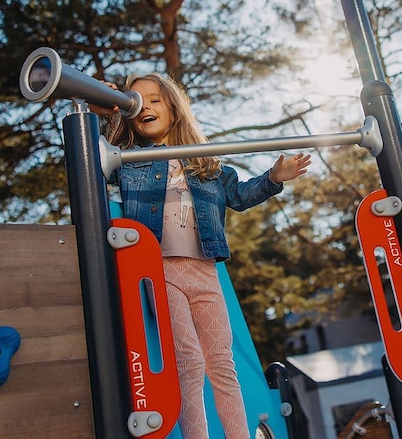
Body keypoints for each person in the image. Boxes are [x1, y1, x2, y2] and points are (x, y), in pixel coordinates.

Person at [91, 73, 311, 439]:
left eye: (154, 99)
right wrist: (104, 112)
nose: (145, 107)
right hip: (161, 270)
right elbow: (92, 161)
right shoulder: (129, 162)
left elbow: (240, 196)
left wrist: (273, 177)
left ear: (173, 108)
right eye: (136, 102)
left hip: (204, 272)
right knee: (189, 361)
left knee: (222, 362)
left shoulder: (207, 165)